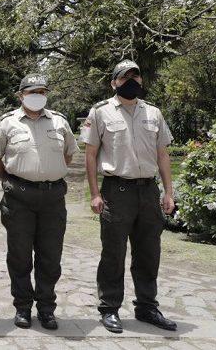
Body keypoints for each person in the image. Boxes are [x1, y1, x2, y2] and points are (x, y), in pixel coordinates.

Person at [81, 59, 177, 333]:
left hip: (148, 191)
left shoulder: (153, 113)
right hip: (117, 190)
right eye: (125, 78)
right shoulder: (100, 112)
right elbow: (89, 155)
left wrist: (168, 192)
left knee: (149, 253)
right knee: (113, 252)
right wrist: (95, 193)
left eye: (136, 76)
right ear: (114, 82)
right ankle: (109, 308)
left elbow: (162, 154)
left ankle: (147, 307)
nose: (131, 81)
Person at [0, 74, 79, 330]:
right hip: (19, 197)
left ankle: (47, 309)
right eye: (32, 91)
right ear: (21, 95)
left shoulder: (59, 121)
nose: (37, 95)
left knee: (50, 256)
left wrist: (48, 173)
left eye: (42, 91)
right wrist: (6, 179)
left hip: (52, 198)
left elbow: (68, 155)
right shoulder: (7, 122)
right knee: (19, 256)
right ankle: (23, 308)